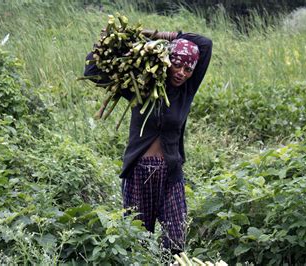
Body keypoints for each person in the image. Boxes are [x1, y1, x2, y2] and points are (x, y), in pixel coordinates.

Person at [84, 30, 212, 254]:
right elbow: (92, 70)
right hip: (139, 172)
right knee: (137, 242)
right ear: (166, 60)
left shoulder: (187, 91)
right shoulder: (141, 85)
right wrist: (128, 42)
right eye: (177, 65)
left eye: (188, 69)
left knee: (175, 239)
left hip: (171, 173)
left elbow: (205, 44)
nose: (181, 73)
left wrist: (162, 35)